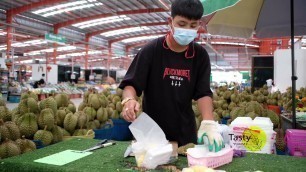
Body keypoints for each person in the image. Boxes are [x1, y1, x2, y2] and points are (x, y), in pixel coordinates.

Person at [119, 0, 224, 152]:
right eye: (182, 24)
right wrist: (129, 100)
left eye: (193, 25)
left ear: (199, 25)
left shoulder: (200, 55)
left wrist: (208, 122)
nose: (187, 29)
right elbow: (131, 84)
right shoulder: (152, 50)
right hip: (152, 134)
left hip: (185, 135)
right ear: (170, 22)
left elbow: (203, 93)